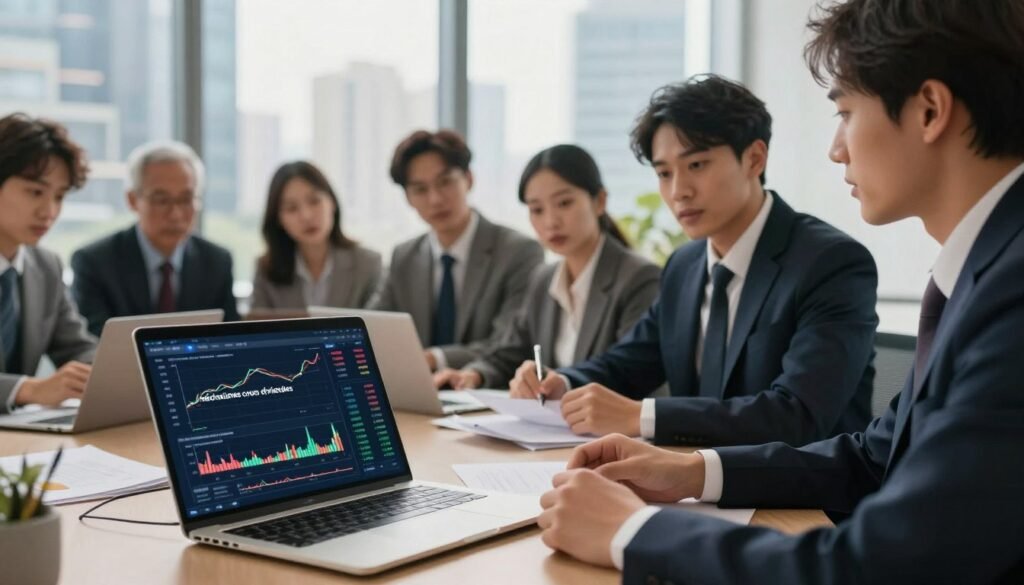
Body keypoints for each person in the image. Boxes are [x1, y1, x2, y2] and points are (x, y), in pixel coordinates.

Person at [538, 1, 1024, 583]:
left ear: (928, 110)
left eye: (845, 112)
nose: (836, 148)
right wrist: (691, 470)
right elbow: (873, 457)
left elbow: (885, 564)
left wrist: (632, 531)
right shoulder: (981, 274)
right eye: (664, 172)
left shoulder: (1009, 292)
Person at [511, 75, 877, 445]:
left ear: (754, 159)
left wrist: (642, 416)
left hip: (797, 494)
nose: (678, 191)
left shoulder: (830, 263)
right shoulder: (684, 266)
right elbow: (629, 363)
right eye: (664, 173)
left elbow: (797, 414)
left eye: (697, 165)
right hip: (692, 482)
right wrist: (564, 382)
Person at [433, 145, 660, 390]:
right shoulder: (543, 279)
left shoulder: (639, 278)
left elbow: (629, 372)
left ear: (600, 201)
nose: (551, 221)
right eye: (537, 210)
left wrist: (561, 384)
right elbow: (511, 353)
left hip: (615, 427)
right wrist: (475, 374)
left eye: (564, 203)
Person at [370, 129, 544, 371]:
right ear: (408, 198)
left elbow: (508, 342)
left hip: (486, 392)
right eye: (420, 189)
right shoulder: (404, 257)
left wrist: (435, 358)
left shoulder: (518, 252)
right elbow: (373, 330)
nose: (435, 199)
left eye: (445, 182)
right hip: (419, 393)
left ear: (469, 179)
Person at [71, 141, 240, 336]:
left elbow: (230, 337)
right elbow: (96, 343)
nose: (175, 214)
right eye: (162, 200)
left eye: (186, 199)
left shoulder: (217, 261)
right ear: (132, 200)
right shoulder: (95, 262)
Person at [0, 113, 97, 413]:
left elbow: (78, 347)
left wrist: (108, 374)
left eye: (59, 196)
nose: (50, 211)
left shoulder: (46, 265)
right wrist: (28, 389)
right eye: (36, 192)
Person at [251, 161, 382, 311]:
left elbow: (377, 328)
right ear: (278, 219)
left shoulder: (367, 263)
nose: (306, 216)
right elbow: (258, 330)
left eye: (314, 201)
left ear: (332, 202)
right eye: (291, 208)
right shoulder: (266, 269)